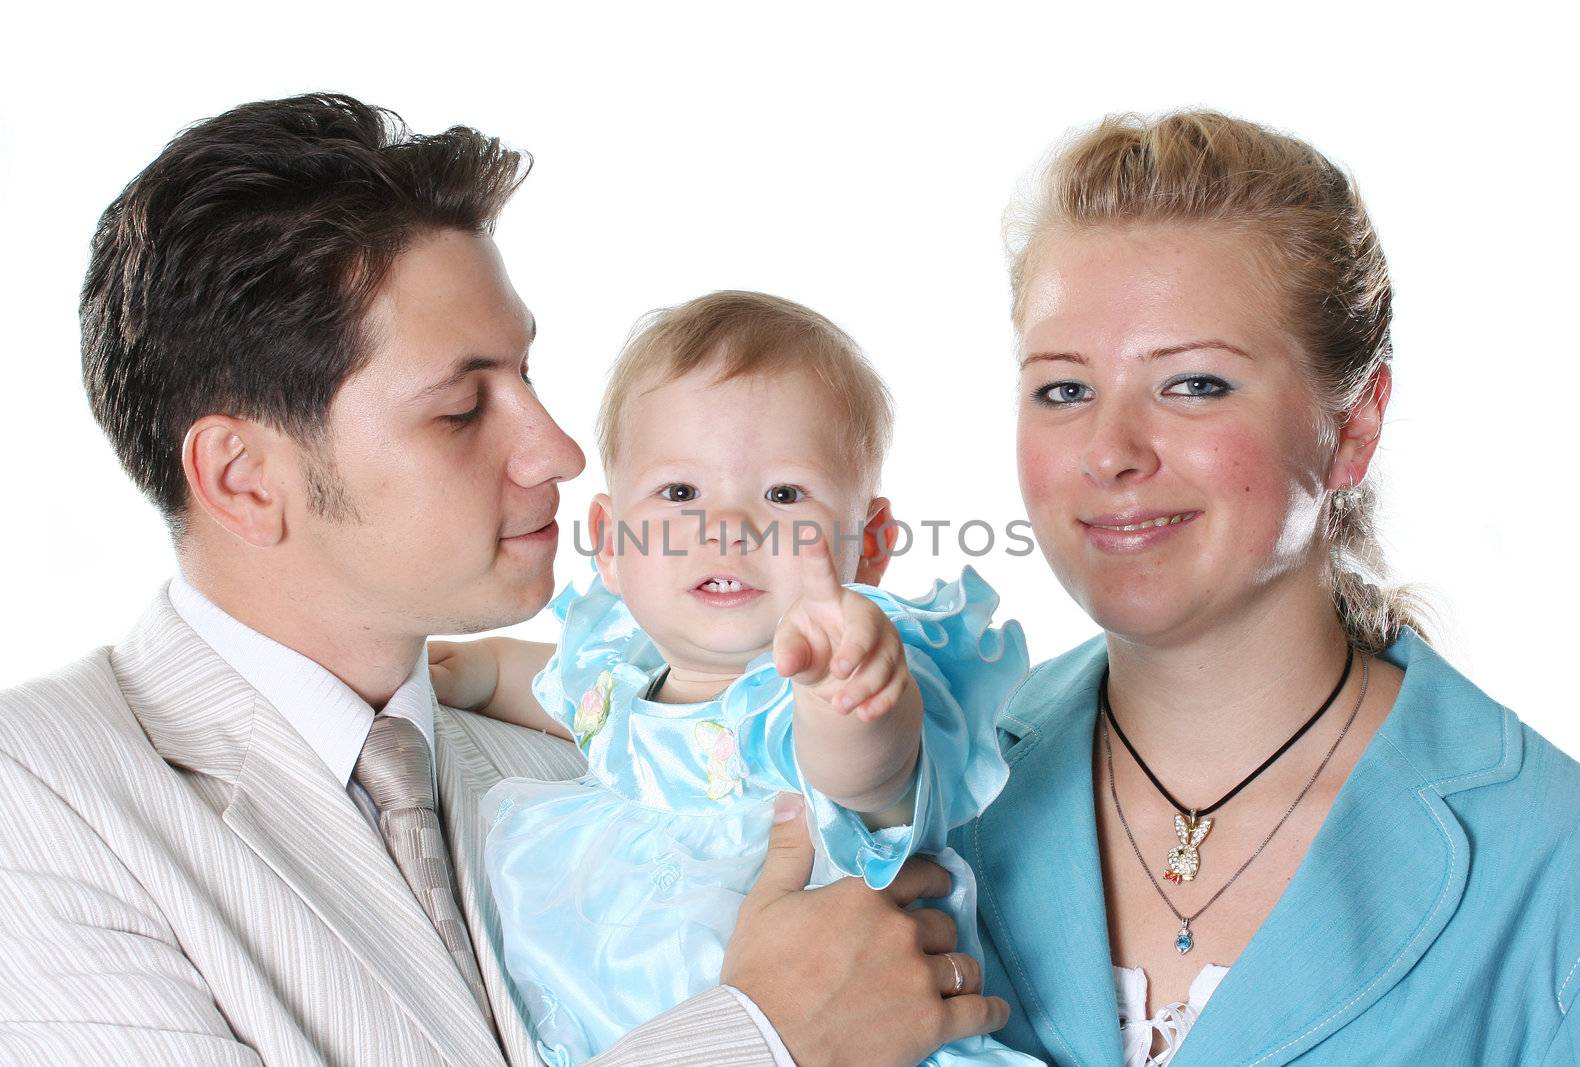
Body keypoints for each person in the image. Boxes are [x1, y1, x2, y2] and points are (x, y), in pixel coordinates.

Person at [0, 93, 1009, 1067]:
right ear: (244, 478)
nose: (562, 452)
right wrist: (764, 1036)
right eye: (459, 409)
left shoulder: (591, 751)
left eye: (527, 377)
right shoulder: (44, 792)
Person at [951, 109, 1580, 1065]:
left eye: (1195, 384)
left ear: (1352, 428)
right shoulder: (922, 795)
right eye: (1063, 389)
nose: (1111, 451)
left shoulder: (1561, 870)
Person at [430, 291, 1037, 1066]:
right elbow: (556, 690)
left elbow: (865, 774)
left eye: (784, 494)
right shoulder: (621, 678)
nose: (729, 527)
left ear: (872, 542)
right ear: (611, 543)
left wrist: (851, 697)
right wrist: (475, 670)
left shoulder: (810, 701)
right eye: (680, 494)